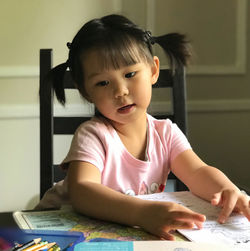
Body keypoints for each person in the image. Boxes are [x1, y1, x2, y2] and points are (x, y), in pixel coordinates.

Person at [36, 14, 250, 240]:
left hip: (118, 232)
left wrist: (228, 190)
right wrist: (142, 213)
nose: (120, 91)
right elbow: (83, 191)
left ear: (153, 70)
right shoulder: (93, 135)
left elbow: (197, 172)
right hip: (52, 231)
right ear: (86, 92)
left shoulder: (165, 133)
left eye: (129, 74)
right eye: (102, 83)